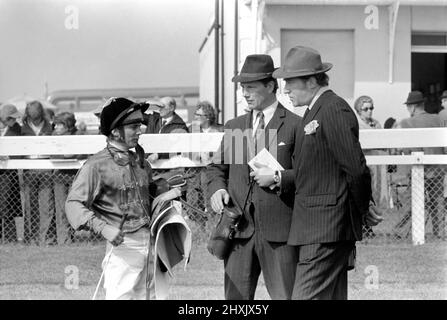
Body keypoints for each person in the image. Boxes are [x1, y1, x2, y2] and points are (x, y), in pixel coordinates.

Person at [273, 46, 381, 300]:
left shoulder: (332, 108)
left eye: (290, 82)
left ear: (311, 81)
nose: (285, 89)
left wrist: (363, 208)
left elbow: (355, 167)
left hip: (326, 228)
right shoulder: (315, 110)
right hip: (317, 227)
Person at [207, 54, 301, 300]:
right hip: (238, 233)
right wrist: (217, 189)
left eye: (250, 87)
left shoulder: (295, 125)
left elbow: (308, 175)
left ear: (270, 86)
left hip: (280, 235)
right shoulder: (235, 126)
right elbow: (216, 169)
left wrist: (280, 177)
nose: (245, 94)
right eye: (242, 88)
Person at [65, 98, 155, 299]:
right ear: (115, 131)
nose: (139, 130)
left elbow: (150, 196)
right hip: (122, 246)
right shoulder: (96, 165)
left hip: (150, 242)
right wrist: (103, 228)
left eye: (139, 125)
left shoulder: (139, 161)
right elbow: (73, 205)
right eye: (133, 126)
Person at [392, 91, 445, 240]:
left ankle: (400, 231)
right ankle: (439, 232)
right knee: (438, 201)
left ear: (413, 107)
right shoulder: (437, 119)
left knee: (412, 202)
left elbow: (405, 148)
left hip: (417, 170)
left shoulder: (406, 123)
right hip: (437, 168)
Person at [21, 100, 55, 245]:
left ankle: (46, 238)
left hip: (46, 169)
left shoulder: (49, 127)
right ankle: (32, 238)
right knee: (30, 205)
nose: (33, 118)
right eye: (30, 115)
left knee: (47, 205)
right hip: (29, 170)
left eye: (35, 115)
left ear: (41, 113)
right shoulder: (23, 128)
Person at [186, 101, 223, 229]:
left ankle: (213, 227)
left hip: (212, 170)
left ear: (207, 117)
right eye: (195, 114)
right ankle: (199, 229)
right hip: (195, 171)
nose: (195, 117)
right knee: (194, 200)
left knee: (210, 198)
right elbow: (185, 149)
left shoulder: (220, 129)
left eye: (198, 115)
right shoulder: (191, 129)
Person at [353, 95, 385, 238]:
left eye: (371, 108)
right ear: (359, 110)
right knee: (365, 193)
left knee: (375, 193)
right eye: (365, 109)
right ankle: (363, 226)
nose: (369, 111)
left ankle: (370, 226)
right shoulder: (357, 124)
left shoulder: (376, 123)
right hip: (363, 164)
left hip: (376, 164)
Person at [51, 112, 79, 244]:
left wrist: (70, 155)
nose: (56, 127)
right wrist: (67, 155)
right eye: (55, 124)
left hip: (75, 175)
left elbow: (80, 153)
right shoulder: (54, 137)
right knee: (61, 208)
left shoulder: (78, 135)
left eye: (59, 124)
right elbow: (53, 156)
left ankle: (71, 235)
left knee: (73, 207)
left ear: (67, 125)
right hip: (59, 175)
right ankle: (64, 239)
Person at [0, 104, 23, 243]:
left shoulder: (16, 129)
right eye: (12, 118)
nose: (15, 121)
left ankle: (10, 238)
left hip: (9, 172)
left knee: (8, 205)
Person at [146, 96, 188, 162]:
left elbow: (177, 148)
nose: (159, 109)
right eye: (158, 106)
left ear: (171, 108)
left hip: (165, 167)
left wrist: (158, 155)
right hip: (146, 165)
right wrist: (147, 104)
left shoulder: (180, 126)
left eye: (162, 106)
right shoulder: (153, 119)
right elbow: (135, 114)